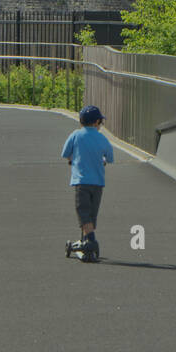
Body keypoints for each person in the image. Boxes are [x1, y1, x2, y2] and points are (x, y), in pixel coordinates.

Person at [61, 105, 114, 261]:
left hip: (81, 182)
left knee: (83, 212)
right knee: (91, 215)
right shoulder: (103, 139)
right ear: (97, 122)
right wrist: (101, 160)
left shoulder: (76, 135)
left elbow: (66, 153)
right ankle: (86, 242)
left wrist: (73, 161)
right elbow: (109, 158)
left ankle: (90, 242)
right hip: (98, 183)